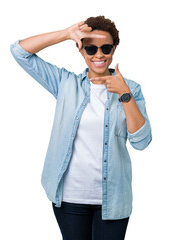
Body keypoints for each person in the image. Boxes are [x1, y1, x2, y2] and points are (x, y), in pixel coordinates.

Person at [10, 15, 152, 240]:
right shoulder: (65, 84)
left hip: (113, 199)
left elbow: (142, 142)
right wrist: (66, 34)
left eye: (105, 48)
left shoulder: (131, 89)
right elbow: (20, 51)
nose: (98, 55)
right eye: (90, 49)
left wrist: (124, 94)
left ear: (114, 49)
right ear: (81, 50)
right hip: (70, 198)